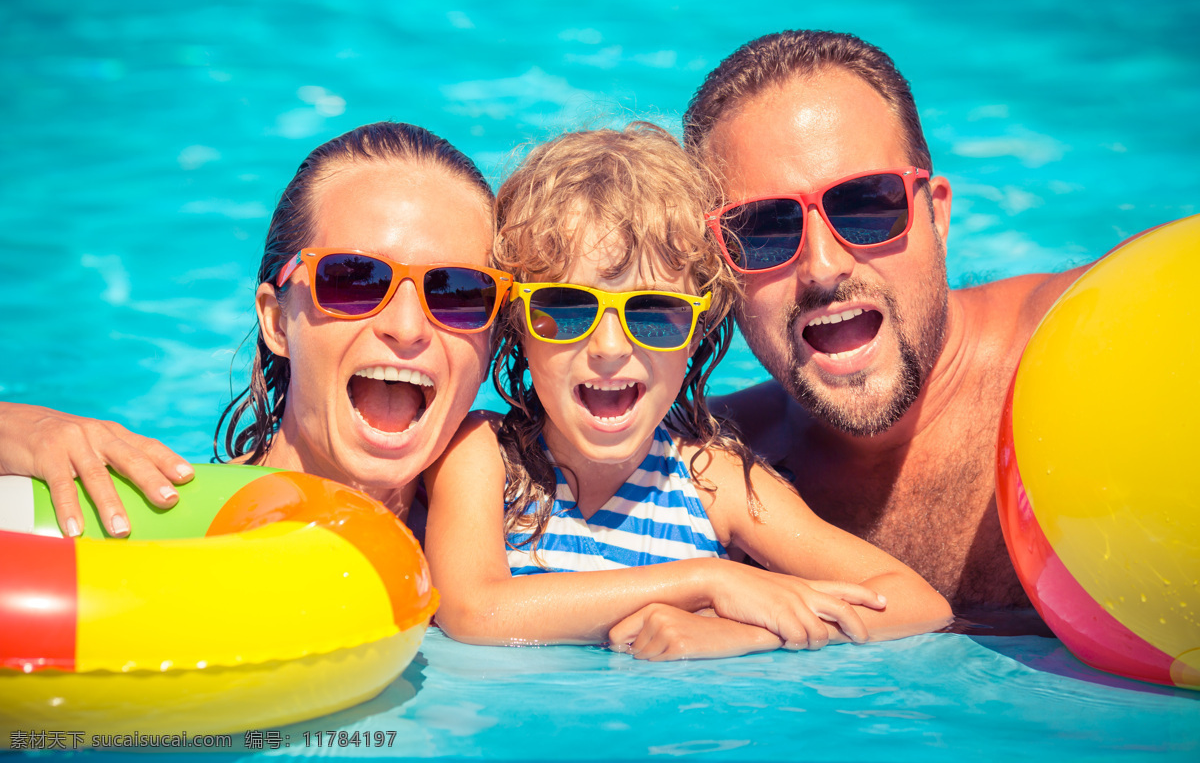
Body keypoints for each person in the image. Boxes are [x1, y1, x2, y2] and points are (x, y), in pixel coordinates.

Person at [425, 123, 951, 661]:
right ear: (518, 323)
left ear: (698, 330)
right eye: (566, 308)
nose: (609, 347)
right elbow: (475, 611)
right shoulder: (484, 459)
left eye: (654, 314)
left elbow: (917, 603)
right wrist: (706, 582)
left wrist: (750, 633)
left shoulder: (710, 483)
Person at [684, 30, 1108, 609]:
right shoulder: (702, 466)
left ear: (937, 214)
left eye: (864, 205)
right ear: (717, 271)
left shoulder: (1092, 342)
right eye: (763, 229)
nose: (823, 267)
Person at [0, 121, 508, 537]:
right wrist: (20, 431)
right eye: (355, 279)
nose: (406, 326)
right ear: (276, 320)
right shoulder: (165, 521)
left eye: (457, 293)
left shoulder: (528, 555)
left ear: (491, 343)